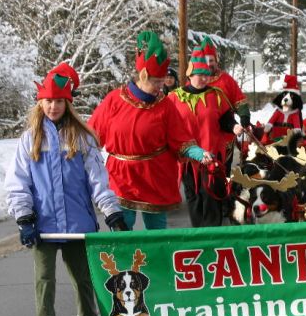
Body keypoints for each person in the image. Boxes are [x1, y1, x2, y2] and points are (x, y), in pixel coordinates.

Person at [4, 63, 129, 316]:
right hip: (42, 226)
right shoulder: (30, 139)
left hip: (77, 225)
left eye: (59, 101)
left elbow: (98, 181)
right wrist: (24, 218)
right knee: (44, 281)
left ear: (67, 103)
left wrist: (112, 212)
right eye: (48, 101)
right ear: (40, 103)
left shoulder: (83, 139)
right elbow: (18, 182)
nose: (53, 106)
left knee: (82, 278)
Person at [89, 31, 212, 230]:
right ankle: (124, 261)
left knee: (156, 229)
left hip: (155, 173)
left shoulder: (165, 105)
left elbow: (179, 137)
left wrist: (198, 152)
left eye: (162, 81)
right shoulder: (114, 100)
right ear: (143, 76)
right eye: (156, 81)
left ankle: (157, 261)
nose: (160, 86)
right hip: (122, 174)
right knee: (122, 225)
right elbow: (91, 135)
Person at [169, 44, 243, 227]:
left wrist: (233, 127)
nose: (204, 78)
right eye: (200, 75)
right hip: (188, 160)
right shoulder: (174, 98)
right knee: (194, 198)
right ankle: (198, 237)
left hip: (212, 158)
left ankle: (213, 237)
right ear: (190, 75)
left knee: (211, 199)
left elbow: (226, 118)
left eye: (206, 75)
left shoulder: (216, 95)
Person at [201, 36, 251, 171]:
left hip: (226, 134)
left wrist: (244, 116)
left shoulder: (226, 80)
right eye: (205, 61)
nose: (209, 64)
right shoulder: (196, 81)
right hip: (203, 135)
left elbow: (239, 100)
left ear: (216, 61)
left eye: (211, 60)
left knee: (223, 171)